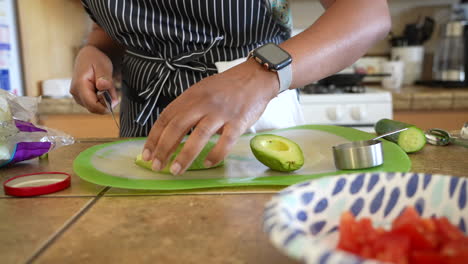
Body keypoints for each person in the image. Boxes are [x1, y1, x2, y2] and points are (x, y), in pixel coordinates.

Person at [71, 0, 391, 175]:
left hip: (255, 121)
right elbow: (114, 21)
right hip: (143, 118)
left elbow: (368, 12)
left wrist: (259, 76)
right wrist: (96, 50)